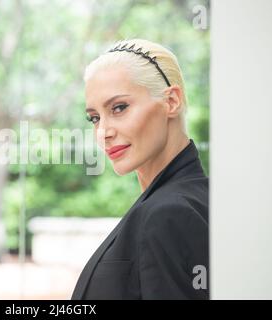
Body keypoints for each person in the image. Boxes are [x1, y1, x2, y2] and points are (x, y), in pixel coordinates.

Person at [71, 39, 209, 300]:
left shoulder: (170, 214)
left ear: (171, 101)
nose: (103, 132)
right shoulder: (193, 198)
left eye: (119, 108)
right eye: (95, 118)